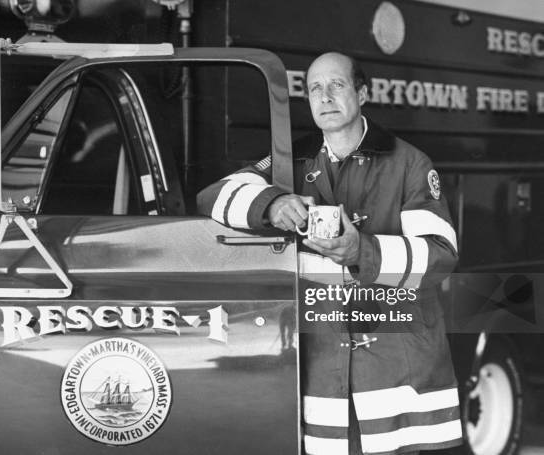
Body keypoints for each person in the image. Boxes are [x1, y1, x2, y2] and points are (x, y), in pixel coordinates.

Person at [197, 52, 462, 455]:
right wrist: (269, 203)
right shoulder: (289, 160)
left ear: (362, 93)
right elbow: (212, 195)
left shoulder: (409, 162)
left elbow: (440, 255)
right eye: (315, 88)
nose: (325, 97)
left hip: (395, 360)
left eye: (336, 85)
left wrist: (364, 250)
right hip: (322, 361)